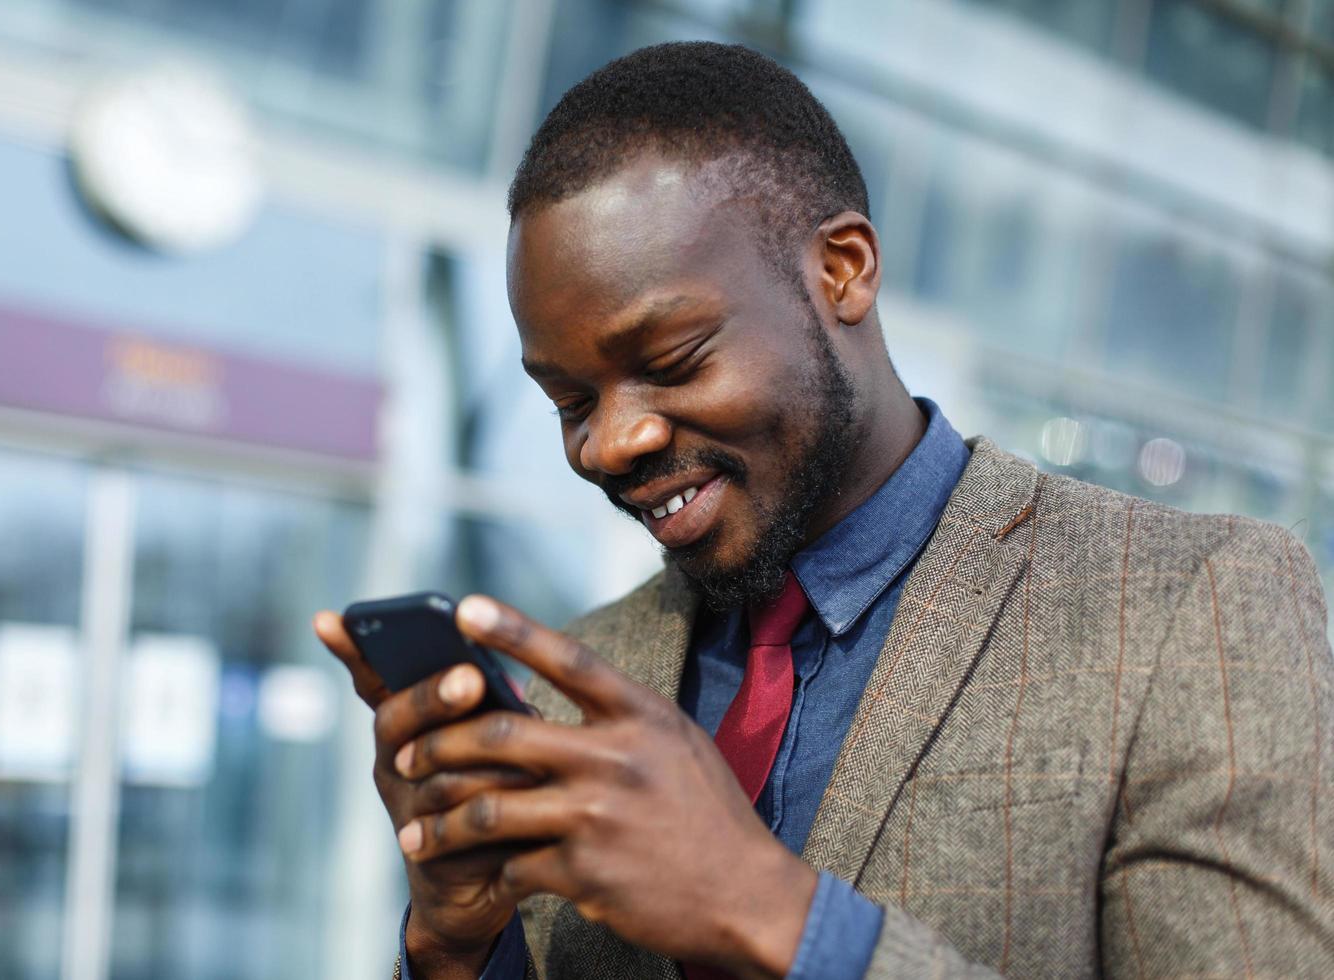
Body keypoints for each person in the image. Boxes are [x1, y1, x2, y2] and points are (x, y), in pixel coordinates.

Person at [314, 41, 1334, 979]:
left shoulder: (1187, 606)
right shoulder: (570, 693)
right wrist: (455, 944)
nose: (609, 443)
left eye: (670, 361)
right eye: (570, 401)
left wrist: (778, 912)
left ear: (842, 270)